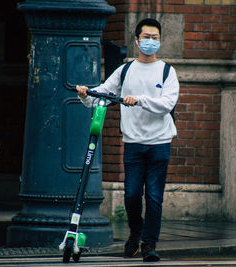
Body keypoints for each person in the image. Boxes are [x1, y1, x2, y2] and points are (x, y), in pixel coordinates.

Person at [76, 18, 179, 262]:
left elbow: (167, 104)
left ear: (160, 40)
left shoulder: (167, 71)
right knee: (132, 194)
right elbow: (100, 95)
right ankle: (135, 234)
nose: (150, 42)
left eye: (155, 37)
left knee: (154, 196)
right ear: (136, 39)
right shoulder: (125, 70)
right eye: (146, 37)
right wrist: (84, 94)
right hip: (133, 143)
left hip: (160, 142)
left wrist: (140, 99)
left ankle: (149, 245)